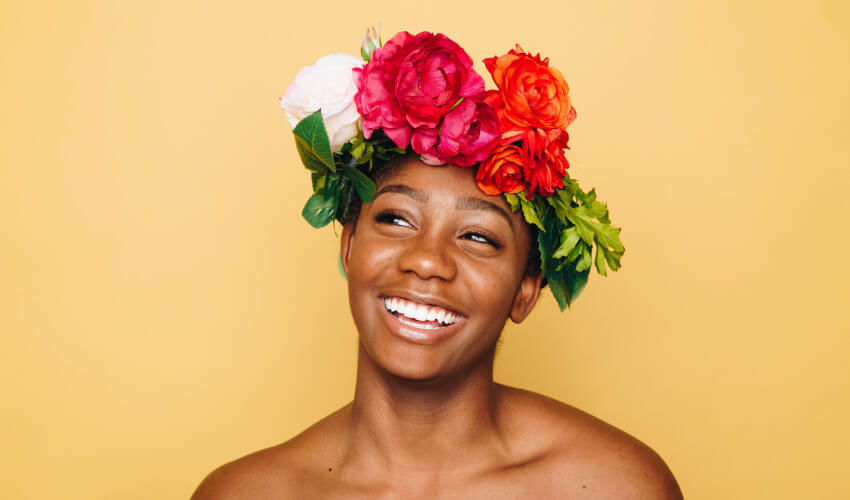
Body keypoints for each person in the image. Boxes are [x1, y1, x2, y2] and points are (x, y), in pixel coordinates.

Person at [192, 29, 683, 499]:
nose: (427, 260)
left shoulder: (614, 487)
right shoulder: (241, 494)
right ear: (348, 245)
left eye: (477, 236)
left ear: (526, 290)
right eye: (397, 219)